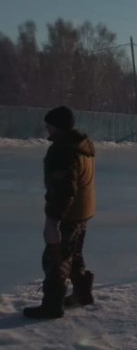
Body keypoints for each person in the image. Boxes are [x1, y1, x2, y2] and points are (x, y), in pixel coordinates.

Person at [24, 106, 96, 319]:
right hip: (83, 211)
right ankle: (82, 294)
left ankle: (52, 306)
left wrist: (53, 220)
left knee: (56, 258)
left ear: (57, 126)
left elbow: (64, 189)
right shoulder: (82, 146)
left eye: (49, 125)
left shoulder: (63, 150)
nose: (47, 129)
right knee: (73, 254)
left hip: (68, 214)